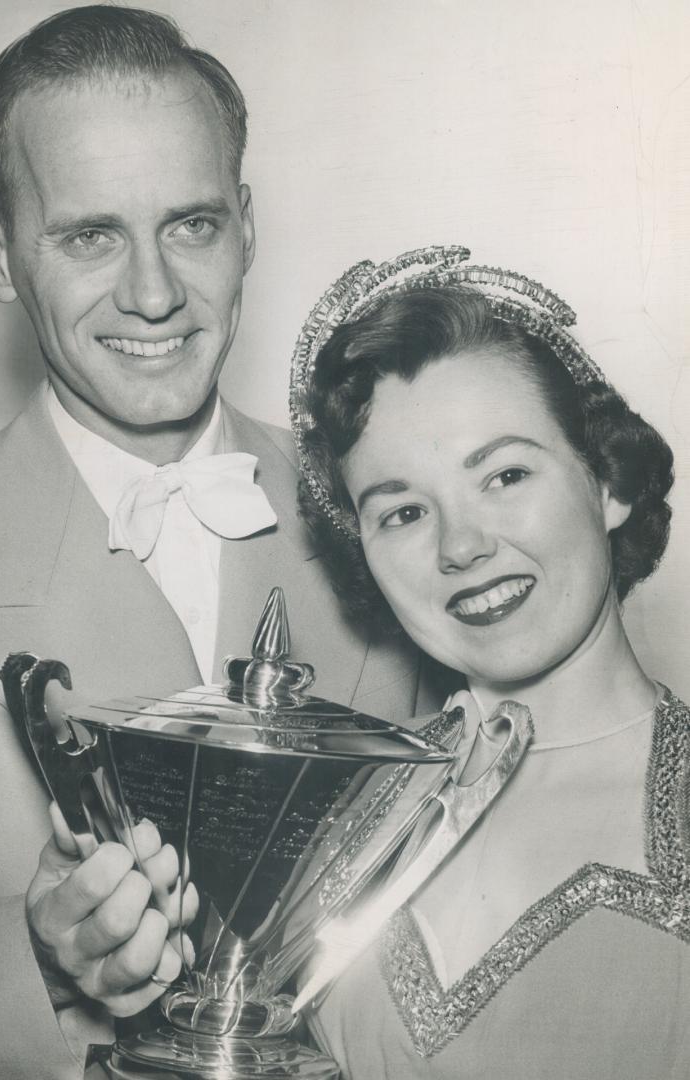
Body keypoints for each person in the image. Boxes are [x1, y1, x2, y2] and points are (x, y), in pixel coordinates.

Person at [0, 9, 426, 1079]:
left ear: (246, 225)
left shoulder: (385, 516)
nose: (152, 293)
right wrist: (39, 957)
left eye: (190, 225)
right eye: (91, 235)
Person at [290, 245, 688, 1079]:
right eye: (402, 513)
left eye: (504, 474)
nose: (462, 546)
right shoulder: (335, 817)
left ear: (608, 482)